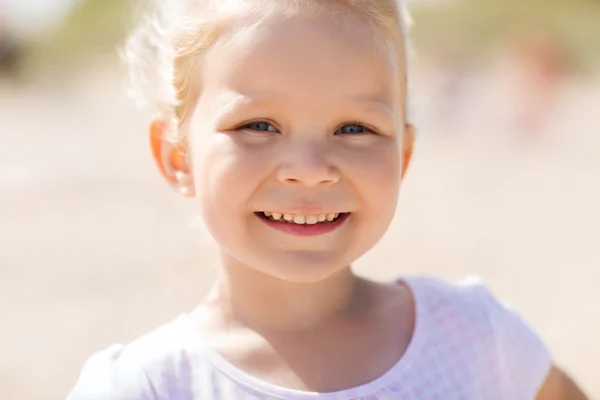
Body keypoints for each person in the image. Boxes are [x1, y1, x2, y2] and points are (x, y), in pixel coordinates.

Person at [67, 0, 589, 399]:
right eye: (259, 125)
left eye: (354, 128)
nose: (311, 171)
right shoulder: (145, 387)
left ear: (402, 158)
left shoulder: (478, 341)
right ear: (179, 157)